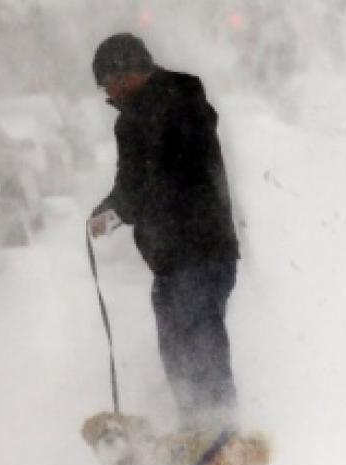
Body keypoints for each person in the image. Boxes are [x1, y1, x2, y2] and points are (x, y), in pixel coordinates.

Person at [86, 33, 241, 433]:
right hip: (174, 261)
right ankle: (198, 434)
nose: (109, 93)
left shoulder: (175, 104)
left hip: (199, 253)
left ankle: (222, 440)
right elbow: (132, 183)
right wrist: (108, 210)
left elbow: (160, 179)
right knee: (179, 354)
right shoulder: (145, 113)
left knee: (201, 351)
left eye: (110, 83)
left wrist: (120, 211)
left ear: (127, 74)